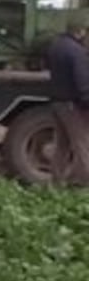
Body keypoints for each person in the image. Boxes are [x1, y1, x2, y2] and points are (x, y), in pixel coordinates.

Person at [45, 14, 89, 186]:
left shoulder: (56, 46)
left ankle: (56, 183)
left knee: (62, 145)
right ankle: (86, 185)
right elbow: (83, 82)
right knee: (83, 143)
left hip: (57, 103)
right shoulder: (77, 52)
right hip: (72, 105)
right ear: (79, 31)